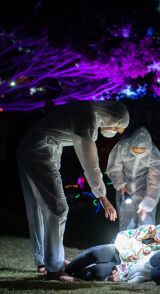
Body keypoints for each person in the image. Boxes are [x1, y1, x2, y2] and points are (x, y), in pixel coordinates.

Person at [16, 100, 129, 280]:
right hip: (37, 151)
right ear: (114, 118)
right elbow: (90, 163)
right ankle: (54, 268)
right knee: (58, 209)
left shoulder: (85, 112)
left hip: (34, 149)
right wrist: (102, 197)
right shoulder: (87, 117)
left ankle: (46, 261)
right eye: (119, 127)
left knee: (40, 207)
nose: (117, 132)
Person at [107, 126, 160, 230]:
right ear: (130, 145)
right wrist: (120, 184)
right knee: (127, 222)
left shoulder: (153, 152)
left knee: (146, 223)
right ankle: (127, 243)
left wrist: (148, 203)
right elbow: (114, 168)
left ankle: (146, 243)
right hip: (125, 188)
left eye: (141, 152)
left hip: (144, 188)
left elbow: (156, 179)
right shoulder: (121, 147)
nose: (138, 155)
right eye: (135, 151)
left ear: (147, 149)